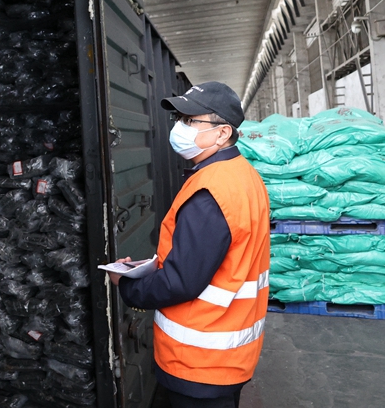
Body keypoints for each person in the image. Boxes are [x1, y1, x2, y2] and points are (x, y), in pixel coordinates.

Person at [106, 82, 270, 408]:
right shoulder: (241, 175)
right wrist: (149, 267)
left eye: (191, 120)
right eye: (180, 119)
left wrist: (126, 284)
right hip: (225, 357)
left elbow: (182, 281)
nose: (180, 128)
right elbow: (214, 258)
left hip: (199, 364)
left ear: (222, 133)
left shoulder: (211, 192)